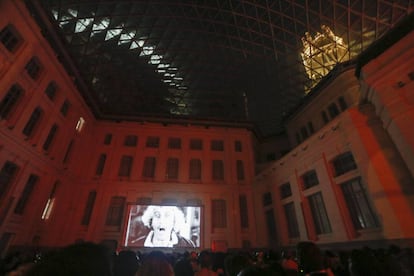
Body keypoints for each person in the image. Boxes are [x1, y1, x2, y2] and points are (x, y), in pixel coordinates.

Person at [130, 206, 195, 248]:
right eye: (157, 215)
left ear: (174, 221)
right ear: (151, 220)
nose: (161, 221)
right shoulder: (135, 244)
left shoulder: (188, 244)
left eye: (167, 215)